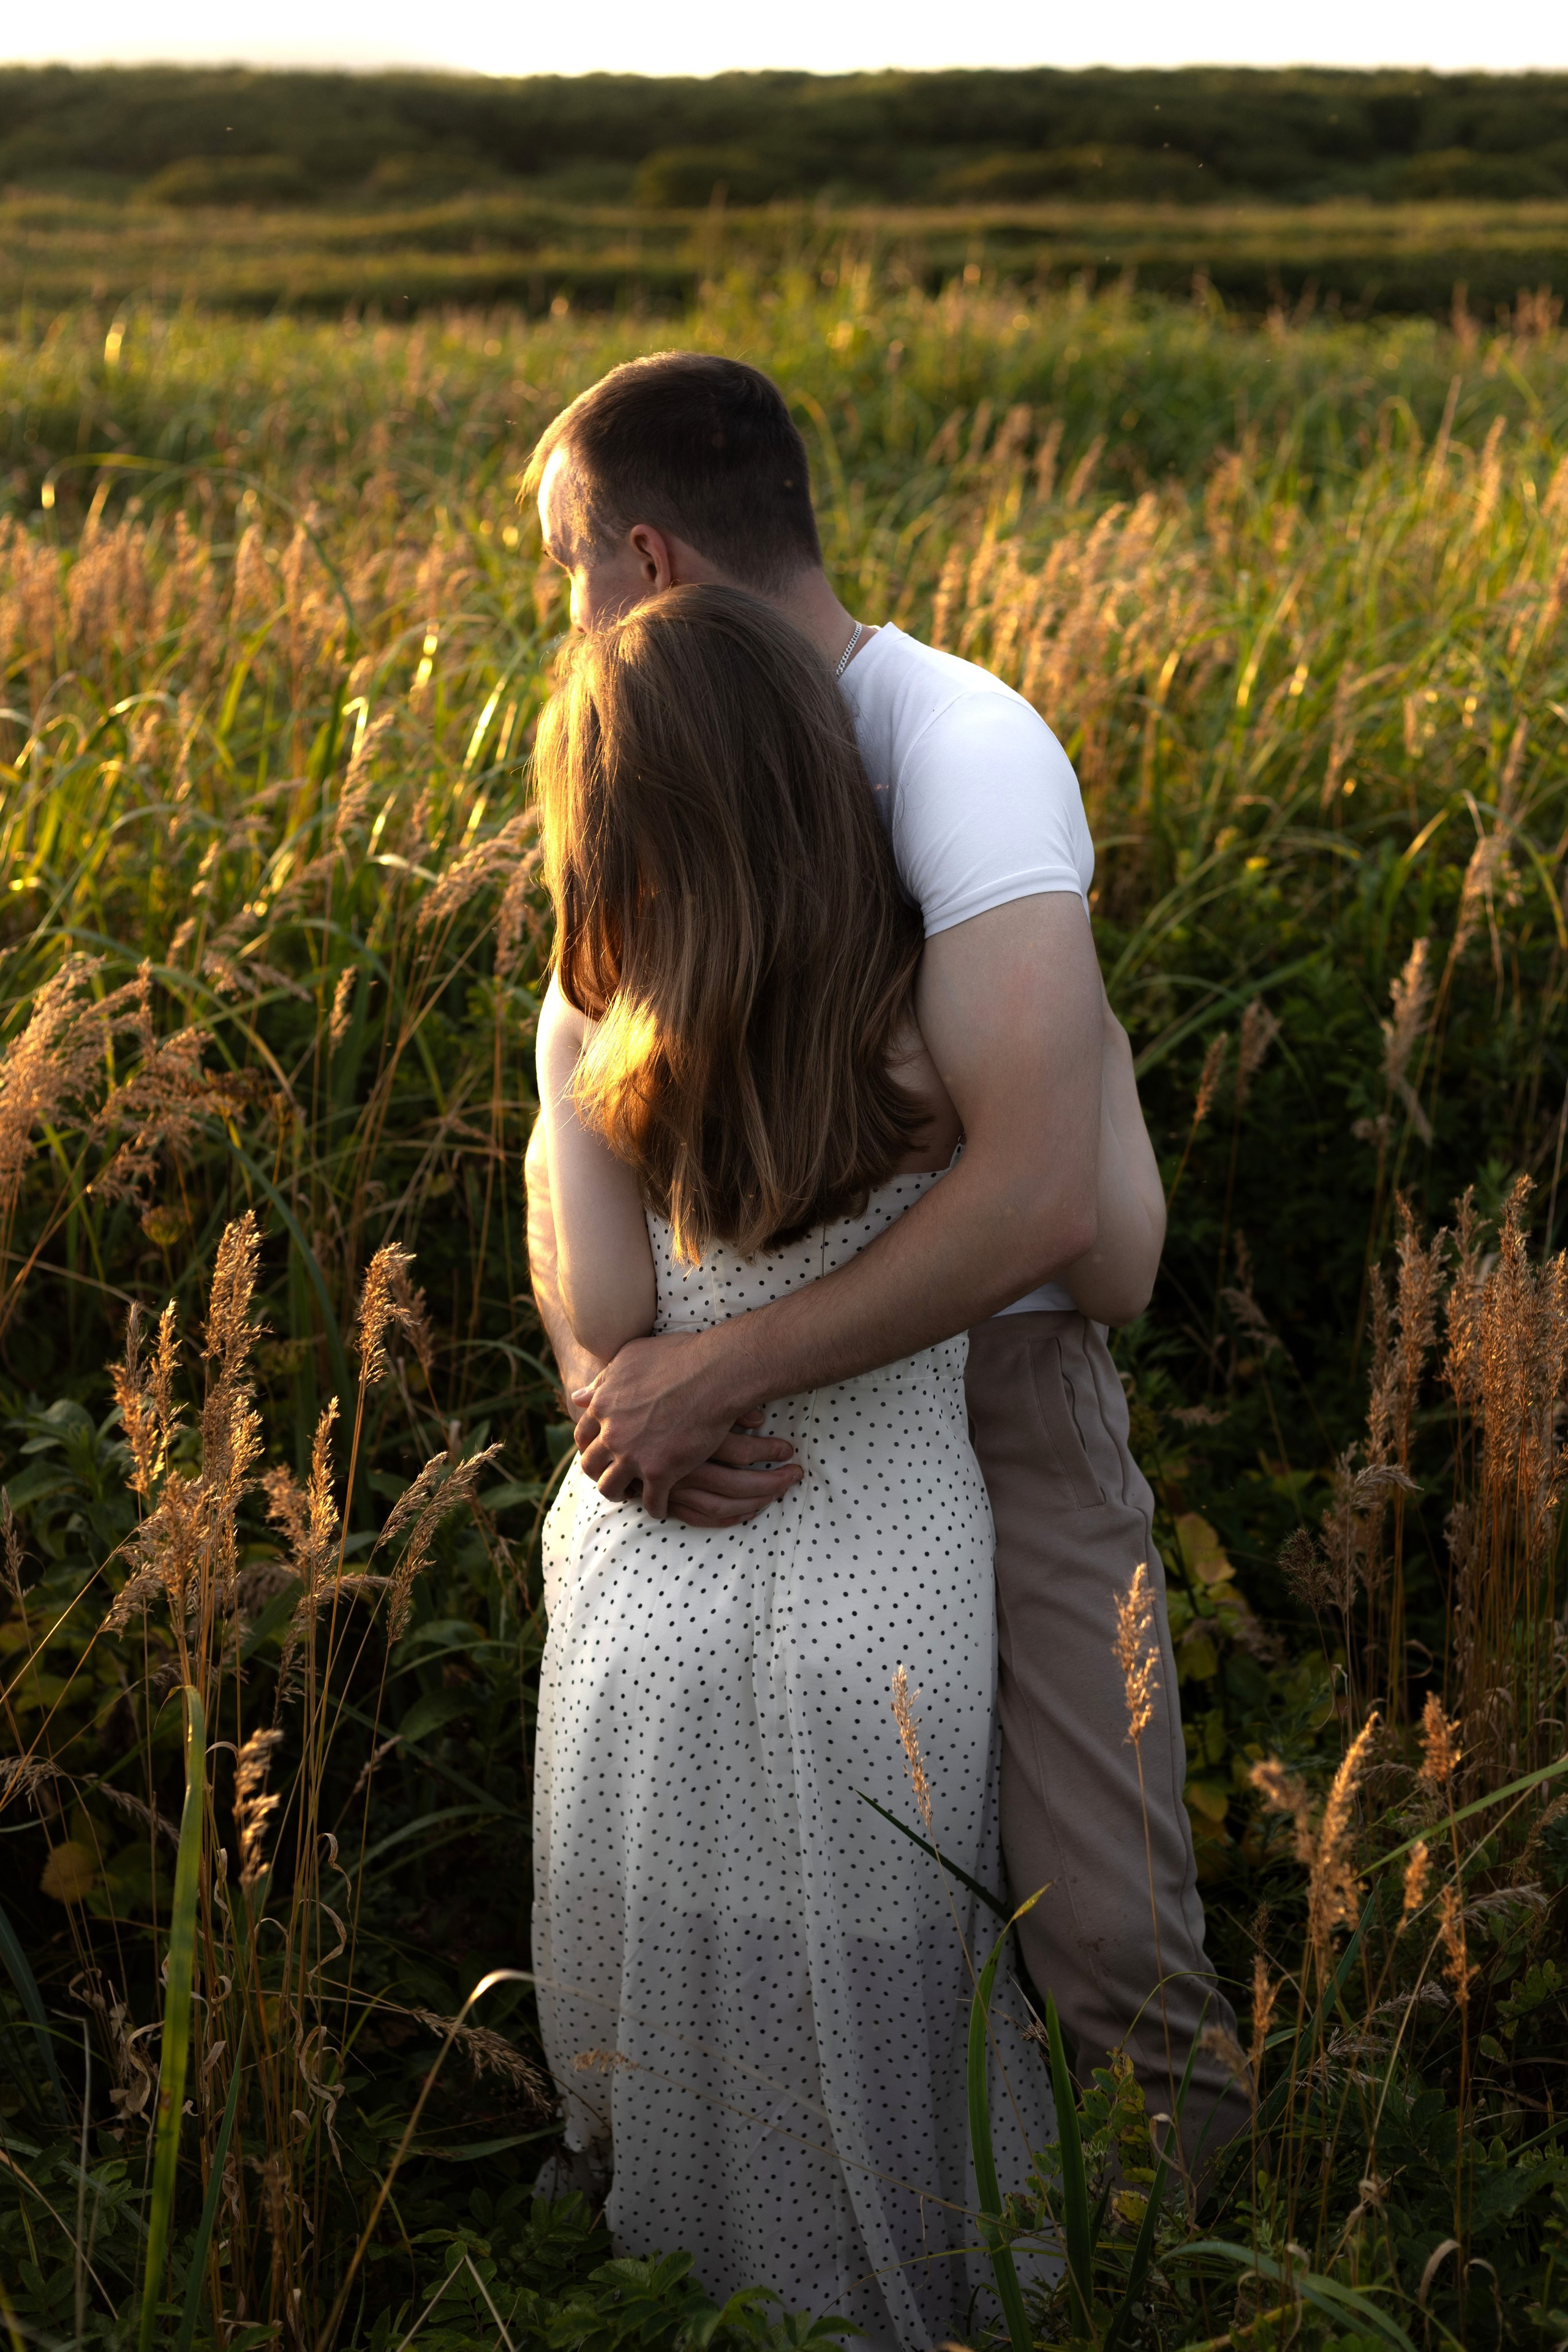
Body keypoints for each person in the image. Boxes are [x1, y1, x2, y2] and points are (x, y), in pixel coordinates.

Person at [522, 353, 1250, 2178]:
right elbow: (569, 1154)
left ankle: (1196, 2274)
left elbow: (1052, 1222)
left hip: (986, 1398)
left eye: (565, 568)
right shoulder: (676, 762)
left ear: (653, 555)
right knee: (797, 1912)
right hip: (735, 1450)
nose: (562, 615)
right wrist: (616, 1408)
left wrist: (708, 1370)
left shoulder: (967, 750)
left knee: (1097, 1921)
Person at [529, 586, 1052, 2345]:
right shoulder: (932, 1015)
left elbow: (604, 1321)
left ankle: (688, 2293)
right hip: (891, 1576)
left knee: (686, 1982)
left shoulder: (595, 1031)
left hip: (655, 1575)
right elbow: (1104, 1244)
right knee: (885, 1996)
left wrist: (644, 1386)